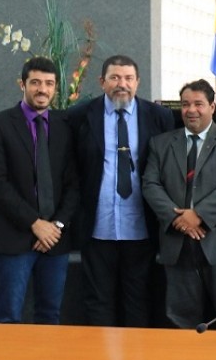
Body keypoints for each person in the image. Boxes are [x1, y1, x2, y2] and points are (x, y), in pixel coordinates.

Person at [67, 55, 175, 326]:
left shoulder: (159, 117)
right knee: (98, 300)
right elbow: (71, 170)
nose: (121, 84)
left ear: (138, 82)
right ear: (102, 82)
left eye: (128, 78)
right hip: (97, 225)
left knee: (137, 298)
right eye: (114, 78)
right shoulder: (79, 116)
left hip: (141, 225)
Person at [142, 80, 216, 329]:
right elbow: (150, 185)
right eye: (185, 104)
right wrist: (179, 220)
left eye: (198, 104)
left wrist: (198, 215)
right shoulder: (161, 143)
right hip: (177, 243)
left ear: (212, 107)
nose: (191, 110)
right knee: (181, 319)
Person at [0, 56, 79, 323]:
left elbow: (74, 183)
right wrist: (35, 223)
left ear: (56, 88)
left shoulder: (65, 126)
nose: (42, 89)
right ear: (21, 84)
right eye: (35, 82)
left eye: (49, 83)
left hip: (54, 240)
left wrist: (55, 225)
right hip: (14, 237)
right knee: (8, 316)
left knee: (50, 314)